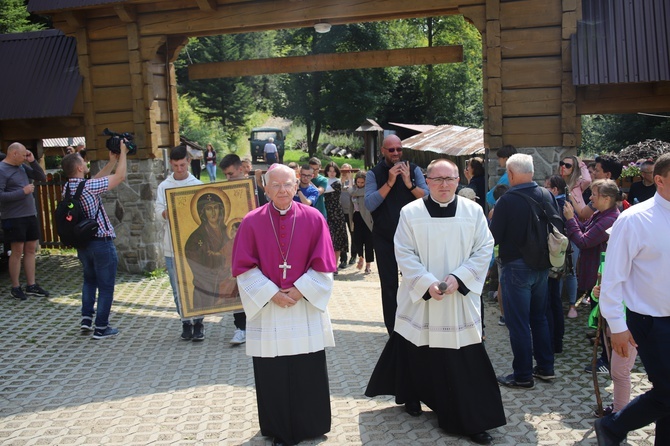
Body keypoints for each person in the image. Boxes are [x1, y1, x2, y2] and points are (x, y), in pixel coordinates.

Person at [365, 159, 505, 445]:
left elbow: (484, 248)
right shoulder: (410, 212)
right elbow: (402, 251)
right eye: (437, 179)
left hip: (458, 299)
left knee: (463, 356)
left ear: (458, 181)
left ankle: (469, 417)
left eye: (450, 179)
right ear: (426, 181)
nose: (444, 185)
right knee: (417, 346)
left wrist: (459, 278)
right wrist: (428, 282)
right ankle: (413, 394)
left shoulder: (473, 211)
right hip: (422, 296)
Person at [232, 164, 336, 446]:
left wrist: (300, 291)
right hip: (269, 309)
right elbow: (243, 267)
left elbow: (325, 264)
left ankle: (311, 424)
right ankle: (278, 429)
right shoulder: (251, 221)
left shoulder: (314, 218)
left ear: (296, 186)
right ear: (265, 188)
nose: (282, 190)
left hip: (303, 307)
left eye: (288, 184)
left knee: (307, 368)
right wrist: (271, 293)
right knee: (273, 371)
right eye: (275, 185)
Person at [595, 153, 670, 446]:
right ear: (660, 181)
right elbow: (613, 277)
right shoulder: (634, 219)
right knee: (666, 393)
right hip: (651, 321)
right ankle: (613, 426)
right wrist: (616, 325)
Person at [489, 153, 558, 389]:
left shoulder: (507, 201)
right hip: (542, 266)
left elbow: (493, 237)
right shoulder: (546, 194)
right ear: (531, 170)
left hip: (516, 267)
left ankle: (522, 375)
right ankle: (546, 368)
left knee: (517, 323)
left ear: (510, 173)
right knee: (539, 318)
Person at [60, 143, 128, 338]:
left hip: (83, 244)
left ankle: (86, 320)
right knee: (106, 286)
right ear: (80, 168)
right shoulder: (88, 186)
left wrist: (111, 162)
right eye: (83, 161)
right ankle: (101, 327)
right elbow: (120, 177)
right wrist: (123, 154)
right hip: (101, 242)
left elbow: (95, 182)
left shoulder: (68, 188)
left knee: (89, 280)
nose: (85, 161)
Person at [365, 135, 428, 335]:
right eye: (391, 150)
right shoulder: (374, 174)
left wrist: (408, 183)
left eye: (399, 149)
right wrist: (391, 182)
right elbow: (369, 203)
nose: (396, 154)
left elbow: (427, 197)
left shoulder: (414, 169)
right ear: (383, 151)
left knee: (415, 282)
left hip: (413, 237)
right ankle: (393, 330)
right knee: (389, 284)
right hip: (384, 236)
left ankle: (415, 324)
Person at [564, 179, 620, 374]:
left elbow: (584, 241)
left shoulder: (610, 220)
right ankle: (606, 356)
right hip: (595, 276)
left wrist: (571, 220)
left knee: (605, 320)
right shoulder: (600, 214)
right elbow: (584, 227)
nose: (590, 198)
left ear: (606, 198)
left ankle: (608, 361)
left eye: (594, 195)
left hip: (602, 278)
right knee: (600, 318)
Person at [156, 145, 205, 341]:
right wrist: (168, 212)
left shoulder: (196, 184)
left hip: (194, 246)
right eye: (175, 165)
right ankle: (185, 321)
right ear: (171, 164)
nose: (179, 169)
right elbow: (157, 211)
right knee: (177, 287)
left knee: (197, 284)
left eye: (182, 165)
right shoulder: (163, 186)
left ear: (188, 162)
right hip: (172, 246)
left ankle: (199, 322)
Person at [219, 153, 268, 345]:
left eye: (231, 174)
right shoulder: (224, 190)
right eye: (226, 175)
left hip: (258, 247)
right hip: (235, 249)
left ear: (241, 169)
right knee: (237, 288)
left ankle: (261, 325)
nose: (228, 178)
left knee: (258, 286)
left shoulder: (257, 190)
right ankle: (241, 328)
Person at [0, 142, 49, 300]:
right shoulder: (1, 170)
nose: (24, 158)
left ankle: (31, 285)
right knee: (17, 251)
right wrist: (23, 192)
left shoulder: (21, 166)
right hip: (14, 216)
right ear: (13, 154)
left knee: (30, 250)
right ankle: (15, 286)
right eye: (23, 155)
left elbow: (41, 177)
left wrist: (32, 161)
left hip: (29, 214)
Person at [184, 192, 235, 324]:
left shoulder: (229, 231)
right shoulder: (196, 237)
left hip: (227, 277)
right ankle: (197, 324)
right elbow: (193, 257)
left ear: (221, 210)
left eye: (215, 208)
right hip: (206, 281)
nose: (213, 213)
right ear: (202, 212)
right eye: (208, 209)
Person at [559, 155, 591, 318]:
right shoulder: (556, 183)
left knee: (571, 270)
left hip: (573, 231)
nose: (563, 167)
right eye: (561, 164)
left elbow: (587, 179)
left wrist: (581, 163)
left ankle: (572, 305)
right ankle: (556, 303)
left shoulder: (577, 185)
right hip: (557, 234)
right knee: (556, 270)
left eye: (568, 165)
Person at [544, 175, 568, 353]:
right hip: (560, 259)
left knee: (550, 302)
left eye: (546, 187)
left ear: (554, 190)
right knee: (555, 301)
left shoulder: (555, 206)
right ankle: (556, 341)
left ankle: (553, 342)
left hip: (553, 259)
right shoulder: (564, 205)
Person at [574, 154, 622, 221]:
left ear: (608, 175)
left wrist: (570, 193)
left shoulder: (603, 193)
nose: (594, 173)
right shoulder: (614, 192)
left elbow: (583, 214)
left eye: (597, 170)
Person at [323, 162, 349, 273]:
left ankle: (335, 265)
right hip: (326, 211)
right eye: (330, 170)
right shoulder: (324, 181)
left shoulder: (337, 182)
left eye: (334, 171)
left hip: (336, 213)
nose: (332, 173)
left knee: (336, 239)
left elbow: (323, 190)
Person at [349, 171, 374, 273]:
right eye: (358, 182)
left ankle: (368, 265)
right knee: (357, 239)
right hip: (357, 216)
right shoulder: (354, 189)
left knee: (369, 242)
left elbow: (352, 192)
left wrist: (350, 184)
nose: (360, 184)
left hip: (367, 218)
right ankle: (360, 256)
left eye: (362, 182)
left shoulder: (367, 190)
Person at [339, 163, 357, 267]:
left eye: (348, 171)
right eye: (343, 171)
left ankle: (354, 255)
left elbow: (353, 192)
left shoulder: (354, 183)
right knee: (342, 235)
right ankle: (343, 258)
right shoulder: (337, 182)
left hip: (351, 211)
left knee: (353, 233)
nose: (346, 173)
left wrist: (350, 179)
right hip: (340, 211)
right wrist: (343, 179)